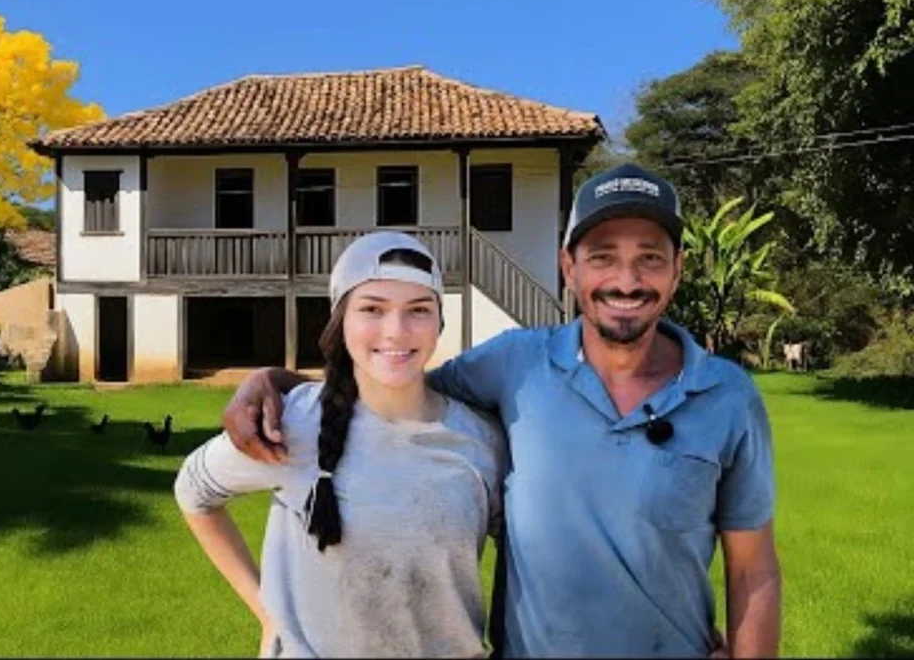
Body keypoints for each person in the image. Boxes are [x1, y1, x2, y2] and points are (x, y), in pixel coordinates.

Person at [221, 163, 782, 658]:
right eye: (603, 257)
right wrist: (272, 382)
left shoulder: (727, 397)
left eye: (650, 259)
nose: (626, 281)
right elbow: (389, 386)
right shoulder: (516, 364)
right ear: (569, 266)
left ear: (678, 269)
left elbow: (753, 567)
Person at [173, 231, 509, 658]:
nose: (396, 330)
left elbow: (527, 564)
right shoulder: (290, 423)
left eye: (419, 310)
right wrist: (266, 611)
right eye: (372, 308)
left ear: (440, 322)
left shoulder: (481, 443)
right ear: (340, 321)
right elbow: (194, 492)